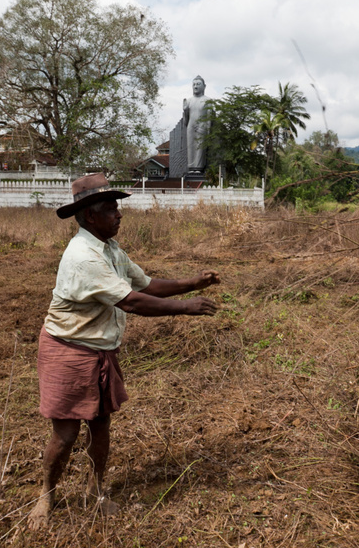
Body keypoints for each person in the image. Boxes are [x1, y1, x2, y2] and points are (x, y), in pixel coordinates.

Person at [27, 173, 219, 529]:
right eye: (110, 208)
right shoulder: (84, 257)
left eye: (117, 206)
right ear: (89, 216)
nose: (119, 214)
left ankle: (97, 490)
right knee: (66, 434)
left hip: (100, 350)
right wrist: (187, 307)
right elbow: (131, 301)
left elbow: (145, 285)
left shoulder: (111, 249)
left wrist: (193, 282)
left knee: (100, 425)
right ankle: (46, 495)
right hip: (67, 350)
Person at [183, 75, 211, 171]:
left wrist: (206, 130)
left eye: (198, 84)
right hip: (190, 128)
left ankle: (199, 168)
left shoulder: (207, 100)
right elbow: (186, 121)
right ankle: (191, 167)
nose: (195, 86)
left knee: (200, 149)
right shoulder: (189, 100)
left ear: (204, 86)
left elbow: (209, 118)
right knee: (191, 148)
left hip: (201, 128)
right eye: (194, 84)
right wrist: (185, 111)